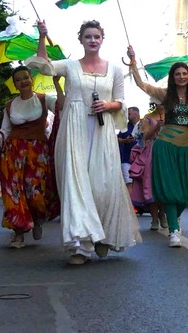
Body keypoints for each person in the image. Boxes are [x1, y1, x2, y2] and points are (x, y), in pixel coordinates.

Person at [31, 20, 140, 265]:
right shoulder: (69, 66)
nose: (92, 40)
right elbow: (45, 68)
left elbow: (121, 101)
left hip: (102, 132)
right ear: (80, 39)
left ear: (103, 40)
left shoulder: (114, 69)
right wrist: (42, 36)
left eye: (97, 36)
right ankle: (79, 245)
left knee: (102, 185)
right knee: (75, 184)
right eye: (88, 36)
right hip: (74, 130)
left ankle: (102, 236)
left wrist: (108, 104)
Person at [126, 44, 188, 248]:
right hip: (166, 146)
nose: (181, 77)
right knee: (170, 189)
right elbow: (142, 85)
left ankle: (174, 219)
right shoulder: (164, 94)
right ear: (173, 77)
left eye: (184, 73)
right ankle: (173, 230)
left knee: (187, 191)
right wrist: (133, 64)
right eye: (177, 74)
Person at [0, 66, 59, 249]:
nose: (23, 81)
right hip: (13, 152)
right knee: (14, 192)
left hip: (38, 153)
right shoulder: (9, 105)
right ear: (15, 84)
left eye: (26, 77)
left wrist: (58, 84)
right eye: (19, 79)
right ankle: (18, 232)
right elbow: (5, 129)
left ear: (32, 79)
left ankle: (37, 219)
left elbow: (63, 107)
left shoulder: (45, 99)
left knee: (36, 192)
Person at [129, 101, 167, 230]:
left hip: (167, 152)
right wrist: (157, 127)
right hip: (151, 153)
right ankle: (155, 218)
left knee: (164, 185)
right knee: (150, 185)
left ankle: (162, 213)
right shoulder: (147, 118)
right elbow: (144, 137)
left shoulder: (171, 116)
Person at [118, 106, 140, 191]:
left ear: (136, 114)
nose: (127, 116)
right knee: (128, 183)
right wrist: (125, 140)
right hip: (127, 160)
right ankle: (130, 204)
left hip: (141, 160)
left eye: (129, 114)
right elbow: (117, 139)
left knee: (140, 183)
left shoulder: (144, 124)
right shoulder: (125, 126)